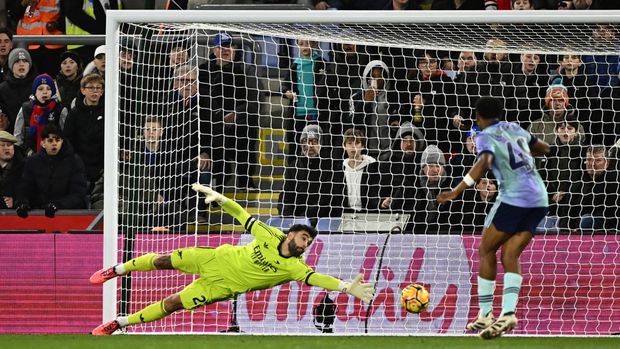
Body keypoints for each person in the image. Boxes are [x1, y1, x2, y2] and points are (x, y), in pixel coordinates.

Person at [89, 183, 375, 335]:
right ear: (291, 234)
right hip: (214, 259)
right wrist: (221, 199)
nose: (306, 244)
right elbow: (243, 216)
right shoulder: (270, 234)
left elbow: (316, 279)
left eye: (309, 242)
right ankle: (116, 269)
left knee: (173, 303)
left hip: (222, 287)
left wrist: (345, 286)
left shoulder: (294, 267)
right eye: (303, 238)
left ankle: (119, 323)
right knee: (165, 260)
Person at [436, 96, 550, 339]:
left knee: (486, 250)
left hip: (515, 198)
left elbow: (485, 161)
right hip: (540, 198)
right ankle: (508, 313)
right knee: (510, 254)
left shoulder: (484, 135)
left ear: (478, 117)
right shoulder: (515, 128)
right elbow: (543, 148)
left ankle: (486, 313)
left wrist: (455, 191)